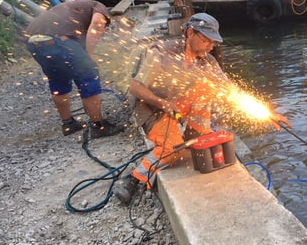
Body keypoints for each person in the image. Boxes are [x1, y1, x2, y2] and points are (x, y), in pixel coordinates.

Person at [114, 12, 289, 204]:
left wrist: (265, 113)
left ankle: (195, 132)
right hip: (152, 109)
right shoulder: (161, 53)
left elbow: (231, 92)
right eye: (207, 40)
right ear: (191, 33)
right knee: (173, 149)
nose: (211, 46)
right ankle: (133, 179)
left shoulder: (208, 62)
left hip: (179, 106)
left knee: (210, 88)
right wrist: (163, 104)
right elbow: (135, 87)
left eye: (213, 42)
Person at [25, 0, 123, 138]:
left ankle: (68, 124)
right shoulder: (100, 7)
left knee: (58, 79)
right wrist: (90, 55)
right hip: (58, 41)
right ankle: (98, 126)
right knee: (89, 74)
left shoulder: (73, 9)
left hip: (33, 43)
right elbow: (96, 24)